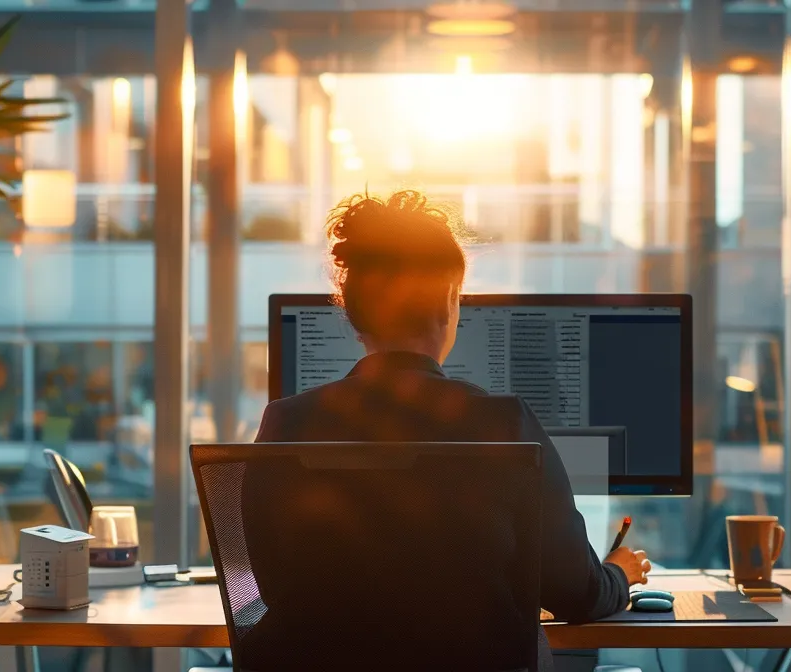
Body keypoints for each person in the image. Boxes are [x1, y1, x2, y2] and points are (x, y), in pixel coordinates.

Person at [252, 190, 650, 632]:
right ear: (448, 300)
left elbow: (267, 589)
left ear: (352, 314)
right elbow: (578, 595)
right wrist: (619, 572)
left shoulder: (284, 423)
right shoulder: (505, 424)